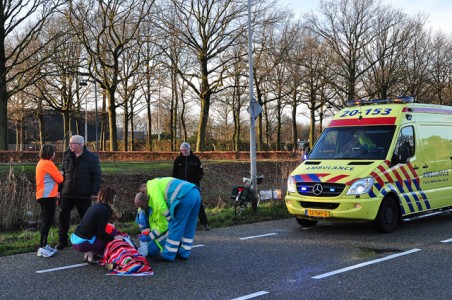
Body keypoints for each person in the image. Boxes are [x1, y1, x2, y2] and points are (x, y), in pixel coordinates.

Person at [136, 177, 201, 262]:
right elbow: (142, 203)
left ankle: (168, 254)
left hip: (183, 196)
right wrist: (140, 212)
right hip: (194, 192)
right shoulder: (158, 182)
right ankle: (184, 252)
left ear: (145, 186)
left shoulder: (151, 186)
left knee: (176, 225)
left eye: (143, 192)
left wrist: (169, 218)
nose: (144, 194)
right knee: (190, 225)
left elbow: (160, 204)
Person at [56, 134, 102, 250]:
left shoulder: (92, 158)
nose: (69, 146)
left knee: (86, 218)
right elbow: (62, 174)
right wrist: (59, 190)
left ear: (80, 145)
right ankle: (62, 241)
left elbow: (97, 176)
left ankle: (87, 239)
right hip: (67, 193)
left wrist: (94, 192)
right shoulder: (67, 157)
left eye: (72, 143)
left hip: (84, 194)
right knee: (63, 217)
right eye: (70, 143)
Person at [70, 186, 121, 262]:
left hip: (74, 239)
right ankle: (102, 254)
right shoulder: (105, 210)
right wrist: (114, 238)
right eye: (114, 198)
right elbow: (100, 233)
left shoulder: (95, 206)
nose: (114, 200)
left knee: (104, 235)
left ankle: (89, 252)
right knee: (110, 237)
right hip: (83, 244)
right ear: (111, 198)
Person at [172, 142, 209, 231]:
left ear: (189, 149)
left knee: (198, 204)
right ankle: (182, 225)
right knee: (181, 205)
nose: (183, 152)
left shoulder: (195, 159)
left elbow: (200, 172)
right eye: (182, 150)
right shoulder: (178, 160)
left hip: (193, 187)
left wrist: (195, 182)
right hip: (181, 187)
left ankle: (205, 223)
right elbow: (174, 174)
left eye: (185, 150)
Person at [35, 144, 64, 258]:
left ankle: (44, 245)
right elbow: (60, 179)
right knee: (47, 221)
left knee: (46, 220)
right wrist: (61, 173)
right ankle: (42, 247)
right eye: (54, 152)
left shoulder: (41, 162)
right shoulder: (48, 163)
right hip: (48, 196)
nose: (55, 154)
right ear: (50, 153)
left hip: (43, 195)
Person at [134, 187, 167, 257]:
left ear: (146, 200)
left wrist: (149, 236)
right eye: (139, 207)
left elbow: (163, 226)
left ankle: (173, 248)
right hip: (156, 231)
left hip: (166, 231)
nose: (141, 208)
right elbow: (140, 206)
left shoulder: (157, 206)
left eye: (141, 206)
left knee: (152, 251)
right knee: (148, 249)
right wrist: (140, 213)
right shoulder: (144, 205)